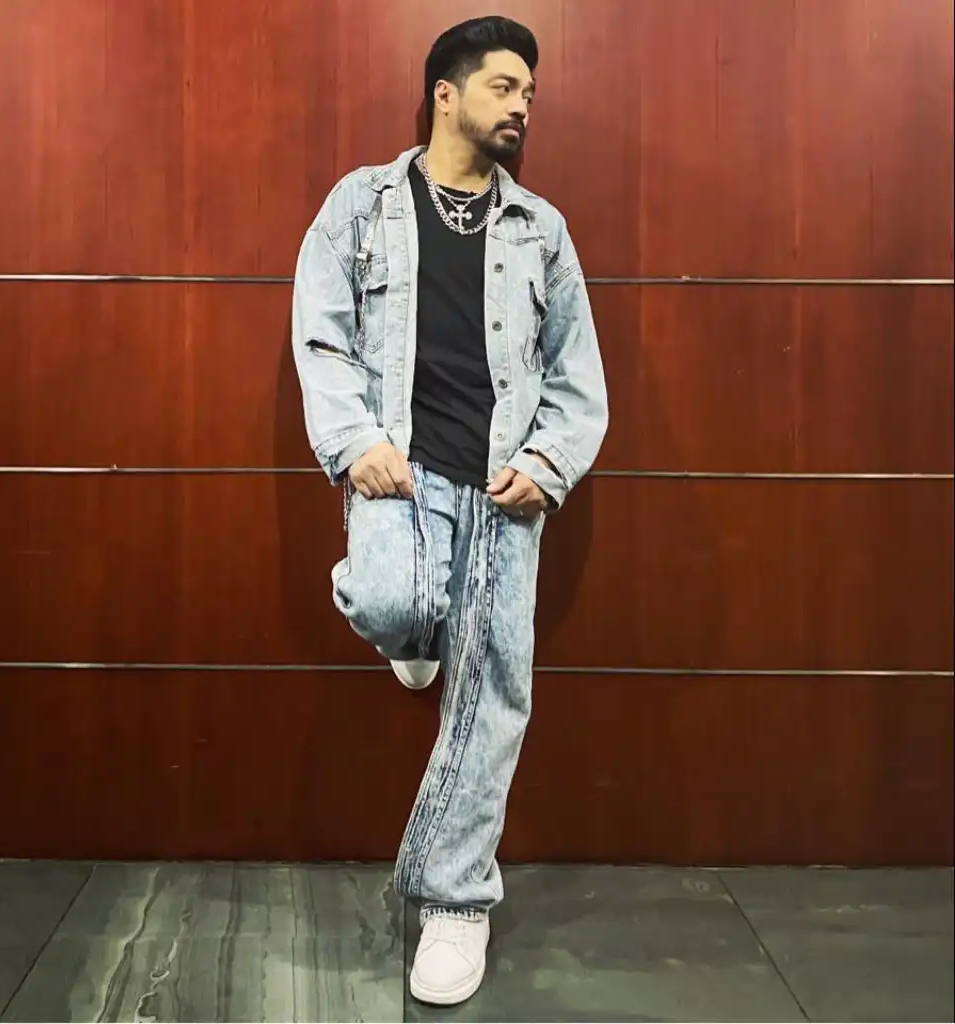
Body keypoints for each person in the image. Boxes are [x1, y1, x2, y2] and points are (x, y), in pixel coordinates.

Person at [291, 15, 608, 1006]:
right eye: (504, 87)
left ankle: (457, 900)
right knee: (393, 602)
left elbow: (577, 376)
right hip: (398, 471)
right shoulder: (361, 205)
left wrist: (549, 463)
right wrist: (354, 443)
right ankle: (409, 617)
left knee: (494, 689)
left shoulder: (540, 230)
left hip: (505, 489)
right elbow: (320, 336)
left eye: (529, 94)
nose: (522, 108)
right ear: (446, 92)